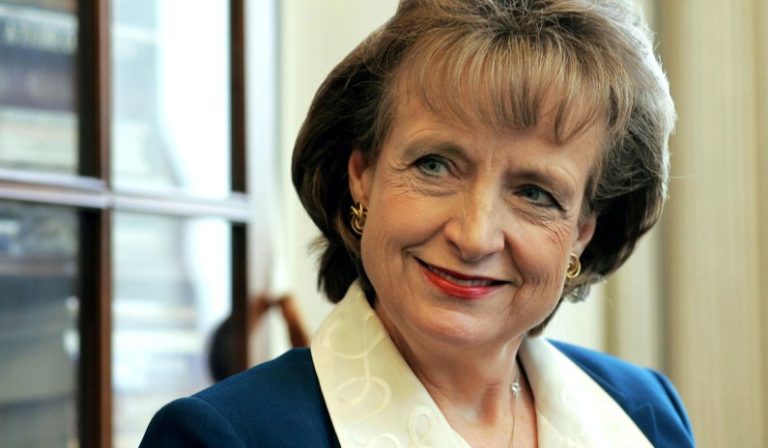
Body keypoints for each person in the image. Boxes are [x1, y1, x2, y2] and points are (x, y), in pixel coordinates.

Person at [140, 0, 694, 446]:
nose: (474, 236)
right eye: (435, 166)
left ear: (581, 233)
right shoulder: (221, 437)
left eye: (534, 193)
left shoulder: (646, 412)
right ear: (362, 175)